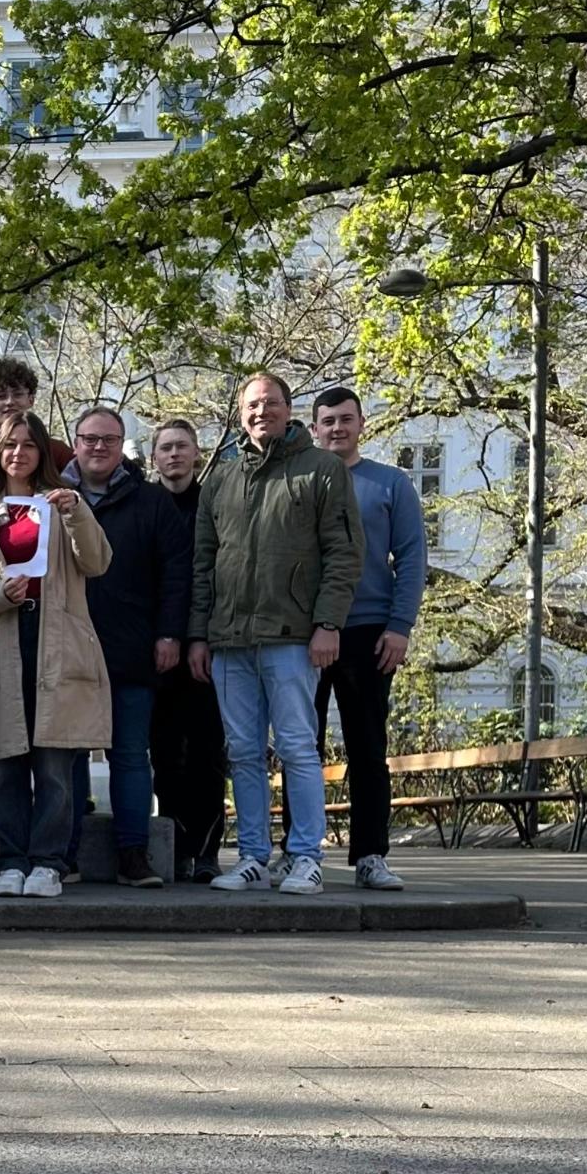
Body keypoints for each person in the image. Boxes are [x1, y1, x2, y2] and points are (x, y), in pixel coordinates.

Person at [189, 373, 365, 897]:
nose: (260, 412)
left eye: (270, 403)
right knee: (242, 751)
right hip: (229, 641)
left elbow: (343, 554)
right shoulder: (220, 477)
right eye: (251, 404)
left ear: (290, 410)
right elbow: (203, 562)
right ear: (240, 413)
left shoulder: (323, 470)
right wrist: (199, 634)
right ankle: (252, 857)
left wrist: (328, 623)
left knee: (296, 748)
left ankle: (306, 856)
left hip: (292, 636)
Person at [0, 413, 112, 898]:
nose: (18, 453)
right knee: (7, 768)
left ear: (43, 452)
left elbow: (97, 561)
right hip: (6, 640)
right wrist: (0, 592)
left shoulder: (63, 506)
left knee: (54, 769)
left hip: (56, 642)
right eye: (10, 445)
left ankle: (48, 863)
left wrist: (76, 512)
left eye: (28, 445)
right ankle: (11, 861)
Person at [65, 406, 191, 889]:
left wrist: (168, 634)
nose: (98, 447)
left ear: (122, 446)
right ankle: (66, 854)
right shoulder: (54, 498)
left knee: (131, 755)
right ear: (75, 442)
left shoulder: (152, 501)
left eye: (109, 439)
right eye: (89, 438)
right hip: (70, 649)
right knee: (69, 754)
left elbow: (176, 574)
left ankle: (133, 854)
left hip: (134, 647)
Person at [305, 386, 425, 892]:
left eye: (345, 419)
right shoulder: (302, 480)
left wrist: (399, 627)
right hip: (303, 633)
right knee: (299, 748)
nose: (336, 428)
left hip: (370, 632)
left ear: (361, 424)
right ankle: (299, 852)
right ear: (313, 428)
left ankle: (371, 854)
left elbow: (412, 557)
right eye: (327, 421)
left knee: (368, 748)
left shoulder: (390, 484)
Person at [146, 418, 228, 881]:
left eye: (182, 447)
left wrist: (199, 637)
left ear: (197, 454)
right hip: (155, 652)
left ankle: (207, 849)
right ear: (154, 457)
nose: (174, 455)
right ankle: (174, 844)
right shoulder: (145, 504)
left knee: (206, 752)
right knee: (164, 753)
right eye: (165, 448)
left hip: (204, 649)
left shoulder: (213, 504)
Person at [0, 357, 69, 481]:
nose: (9, 402)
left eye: (18, 394)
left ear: (31, 400)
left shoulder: (56, 451)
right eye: (1, 396)